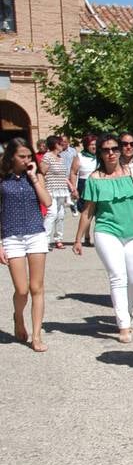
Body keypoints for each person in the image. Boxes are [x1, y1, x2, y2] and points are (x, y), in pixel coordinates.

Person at [73, 134, 133, 343]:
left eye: (115, 149)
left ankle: (128, 311)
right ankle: (123, 324)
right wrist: (79, 238)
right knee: (118, 276)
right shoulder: (94, 179)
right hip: (107, 232)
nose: (111, 153)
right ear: (100, 153)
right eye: (106, 150)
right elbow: (88, 211)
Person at [1, 138, 52, 351]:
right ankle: (18, 317)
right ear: (11, 157)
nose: (26, 160)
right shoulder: (2, 179)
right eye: (22, 156)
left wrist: (33, 177)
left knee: (36, 287)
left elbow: (47, 202)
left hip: (35, 234)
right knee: (21, 290)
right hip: (11, 237)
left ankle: (37, 336)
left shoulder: (36, 176)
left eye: (29, 156)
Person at [42, 135, 73, 250]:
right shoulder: (47, 157)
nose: (62, 145)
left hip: (62, 190)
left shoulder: (60, 157)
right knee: (52, 214)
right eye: (60, 143)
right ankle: (45, 241)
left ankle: (58, 239)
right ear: (55, 145)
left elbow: (63, 175)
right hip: (51, 189)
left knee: (60, 215)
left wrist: (71, 186)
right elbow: (42, 173)